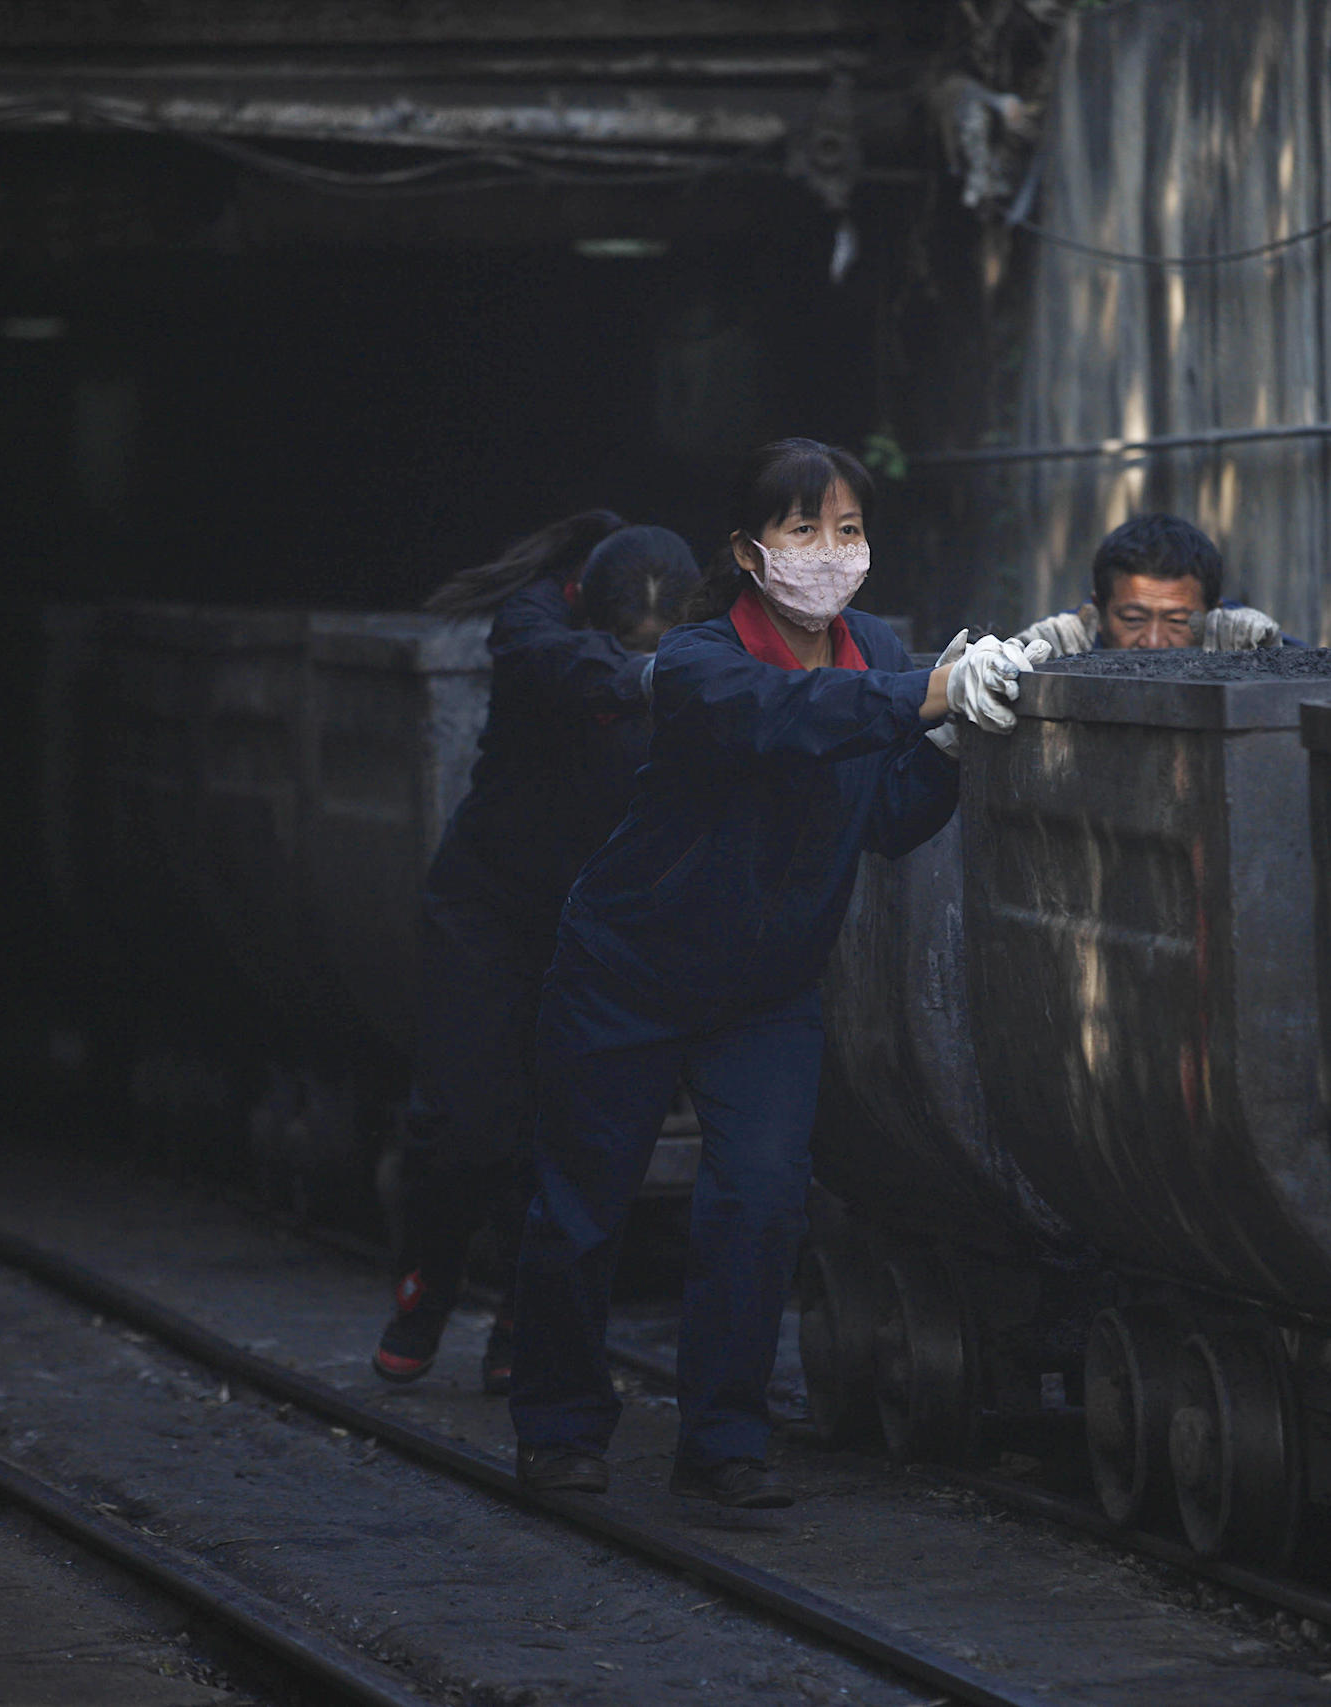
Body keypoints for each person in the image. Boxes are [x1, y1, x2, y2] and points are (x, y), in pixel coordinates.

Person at [509, 437, 1042, 1507]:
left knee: (757, 1208)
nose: (829, 553)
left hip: (764, 992)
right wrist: (925, 696)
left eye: (848, 531)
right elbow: (781, 723)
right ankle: (560, 1425)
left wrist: (940, 750)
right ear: (750, 554)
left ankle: (723, 1441)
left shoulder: (874, 655)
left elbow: (881, 822)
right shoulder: (705, 662)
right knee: (582, 1209)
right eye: (804, 531)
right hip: (626, 970)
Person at [373, 514, 700, 1394]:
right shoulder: (533, 624)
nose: (651, 653)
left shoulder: (698, 653)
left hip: (589, 923)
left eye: (666, 643)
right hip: (484, 909)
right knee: (467, 1126)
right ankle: (429, 1279)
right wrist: (653, 674)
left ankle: (526, 1314)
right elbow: (560, 664)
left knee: (567, 1136)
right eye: (634, 642)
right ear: (587, 607)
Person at [1007, 512, 1284, 655]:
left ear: (1214, 614)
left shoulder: (1243, 637)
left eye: (1177, 621)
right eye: (1133, 619)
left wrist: (1271, 661)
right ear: (1099, 612)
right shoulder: (1062, 644)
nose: (1153, 642)